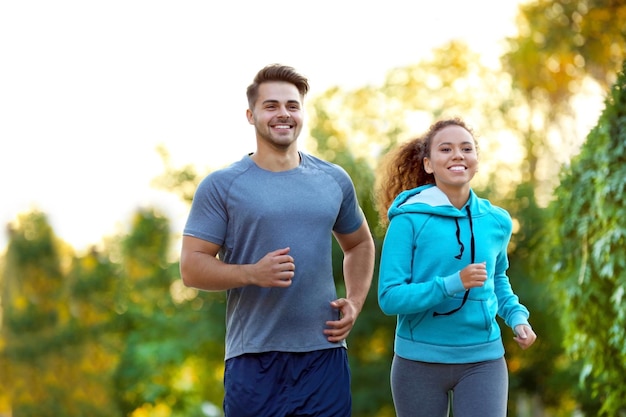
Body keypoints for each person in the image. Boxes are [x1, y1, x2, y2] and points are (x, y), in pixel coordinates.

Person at [180, 63, 375, 417]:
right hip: (254, 359)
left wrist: (355, 300)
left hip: (324, 354)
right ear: (250, 115)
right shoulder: (222, 185)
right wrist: (251, 274)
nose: (283, 114)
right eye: (271, 106)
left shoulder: (333, 180)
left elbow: (359, 244)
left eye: (292, 105)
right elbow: (192, 268)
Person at [375, 117, 537, 417]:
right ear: (428, 164)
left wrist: (517, 318)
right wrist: (453, 283)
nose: (458, 155)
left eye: (466, 148)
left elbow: (498, 280)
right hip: (418, 361)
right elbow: (389, 297)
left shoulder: (497, 221)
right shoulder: (408, 220)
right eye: (445, 149)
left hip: (483, 359)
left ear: (476, 160)